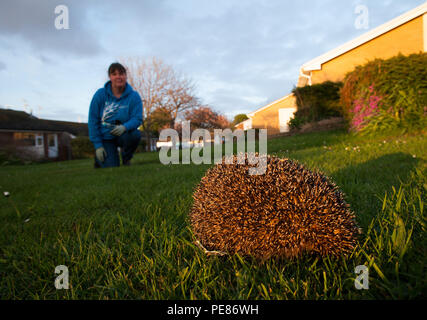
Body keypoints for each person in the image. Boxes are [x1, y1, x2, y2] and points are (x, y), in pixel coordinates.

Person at [88, 62, 143, 168]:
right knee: (111, 167)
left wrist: (125, 127)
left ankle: (126, 158)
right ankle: (100, 158)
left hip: (123, 134)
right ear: (110, 77)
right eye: (114, 74)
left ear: (126, 76)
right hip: (105, 138)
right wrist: (98, 145)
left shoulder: (134, 96)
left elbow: (137, 118)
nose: (118, 77)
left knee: (135, 135)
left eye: (121, 74)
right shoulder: (100, 95)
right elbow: (93, 120)